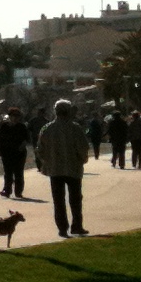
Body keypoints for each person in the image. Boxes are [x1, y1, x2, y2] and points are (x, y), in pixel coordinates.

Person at [35, 98, 91, 238]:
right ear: (69, 111)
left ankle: (62, 228)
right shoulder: (75, 128)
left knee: (58, 201)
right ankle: (76, 226)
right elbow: (83, 148)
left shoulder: (47, 128)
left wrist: (47, 162)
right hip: (73, 168)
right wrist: (82, 159)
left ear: (56, 111)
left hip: (55, 170)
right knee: (75, 200)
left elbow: (40, 149)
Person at [0, 106, 29, 199]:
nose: (15, 118)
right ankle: (7, 190)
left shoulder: (22, 127)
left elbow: (26, 139)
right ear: (9, 116)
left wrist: (21, 147)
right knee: (8, 172)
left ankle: (18, 191)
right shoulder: (4, 126)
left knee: (18, 173)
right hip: (6, 153)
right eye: (13, 116)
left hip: (19, 153)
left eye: (17, 116)